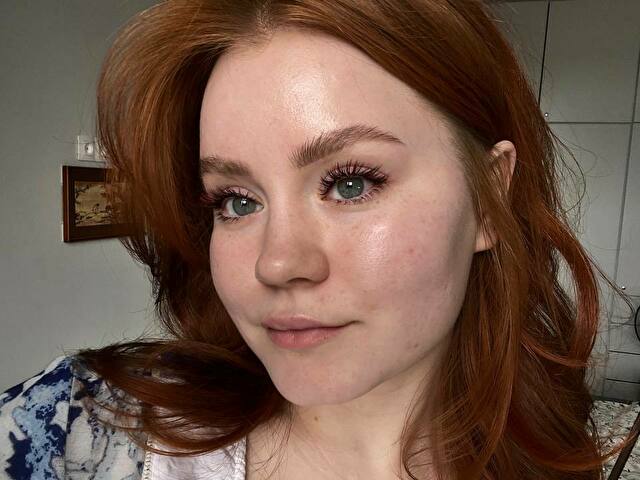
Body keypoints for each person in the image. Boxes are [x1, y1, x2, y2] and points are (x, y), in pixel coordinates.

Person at [0, 0, 635, 478]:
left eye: (351, 184)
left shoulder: (553, 455)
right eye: (237, 201)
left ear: (489, 200)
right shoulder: (75, 432)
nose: (277, 263)